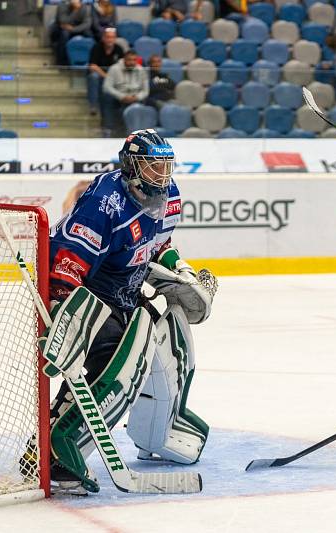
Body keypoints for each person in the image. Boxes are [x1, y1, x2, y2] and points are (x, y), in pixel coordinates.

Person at [42, 129, 217, 494]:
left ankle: (163, 429)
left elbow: (157, 245)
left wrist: (180, 269)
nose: (162, 175)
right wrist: (64, 309)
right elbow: (69, 262)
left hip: (125, 295)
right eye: (153, 166)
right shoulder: (106, 201)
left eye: (166, 166)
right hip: (87, 297)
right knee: (115, 374)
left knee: (172, 339)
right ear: (132, 165)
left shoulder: (170, 197)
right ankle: (55, 448)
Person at [102, 49, 149, 137]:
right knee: (107, 98)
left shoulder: (141, 70)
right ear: (124, 59)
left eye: (134, 60)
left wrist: (137, 97)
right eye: (129, 60)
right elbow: (107, 87)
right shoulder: (114, 69)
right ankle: (109, 129)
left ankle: (137, 134)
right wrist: (121, 96)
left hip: (135, 98)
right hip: (118, 98)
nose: (132, 62)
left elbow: (145, 91)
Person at [87, 27, 124, 116]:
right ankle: (93, 105)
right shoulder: (96, 47)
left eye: (112, 37)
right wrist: (106, 76)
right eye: (108, 37)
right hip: (100, 74)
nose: (110, 39)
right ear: (103, 38)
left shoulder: (119, 49)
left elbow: (122, 65)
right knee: (93, 77)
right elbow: (92, 66)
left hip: (113, 75)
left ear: (115, 39)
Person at [50, 0, 93, 66]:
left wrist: (73, 29)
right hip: (62, 28)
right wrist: (75, 10)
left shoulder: (84, 7)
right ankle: (62, 62)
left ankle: (91, 60)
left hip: (75, 28)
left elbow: (87, 24)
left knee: (89, 34)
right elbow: (63, 21)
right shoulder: (62, 5)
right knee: (64, 34)